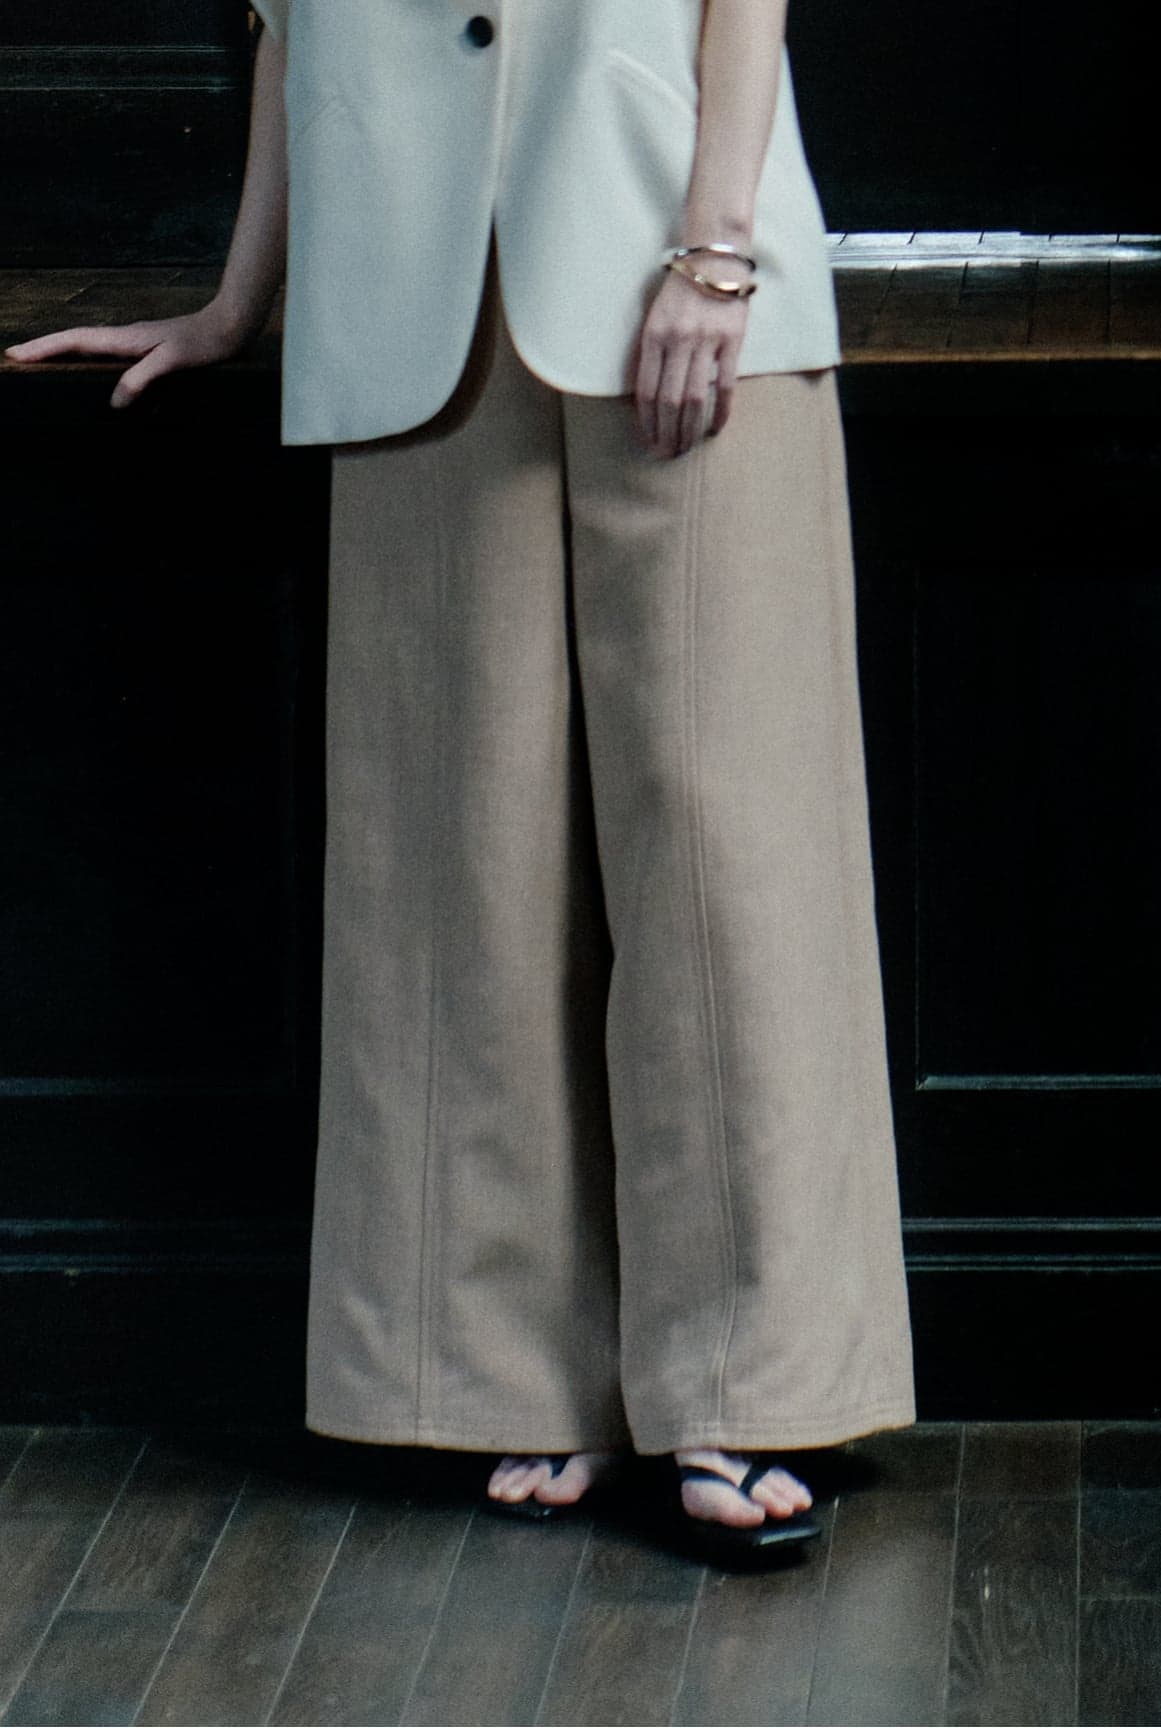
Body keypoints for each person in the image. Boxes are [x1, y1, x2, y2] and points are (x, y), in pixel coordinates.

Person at [5, 0, 916, 1558]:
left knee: (731, 852)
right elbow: (289, 25)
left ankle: (750, 1381)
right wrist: (237, 303)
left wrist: (715, 252)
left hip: (678, 263)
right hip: (413, 310)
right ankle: (501, 1372)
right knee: (458, 863)